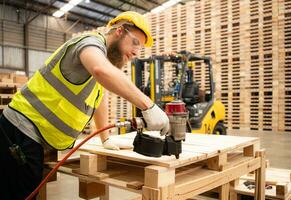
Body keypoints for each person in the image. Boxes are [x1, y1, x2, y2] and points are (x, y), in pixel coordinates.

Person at [0, 11, 170, 199]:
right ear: (119, 31)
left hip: (33, 136)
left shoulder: (100, 58)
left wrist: (106, 139)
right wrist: (148, 105)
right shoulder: (89, 43)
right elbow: (101, 71)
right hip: (20, 132)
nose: (137, 52)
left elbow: (99, 98)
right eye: (135, 43)